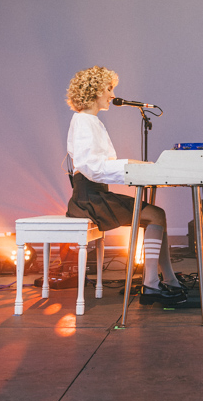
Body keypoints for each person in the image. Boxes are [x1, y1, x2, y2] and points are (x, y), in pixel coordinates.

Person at [64, 66, 186, 306]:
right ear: (94, 91)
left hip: (95, 193)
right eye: (109, 89)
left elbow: (102, 164)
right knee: (155, 215)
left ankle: (168, 280)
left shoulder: (91, 121)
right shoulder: (84, 121)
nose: (112, 95)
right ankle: (152, 285)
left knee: (156, 215)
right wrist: (131, 167)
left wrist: (135, 167)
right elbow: (91, 166)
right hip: (88, 199)